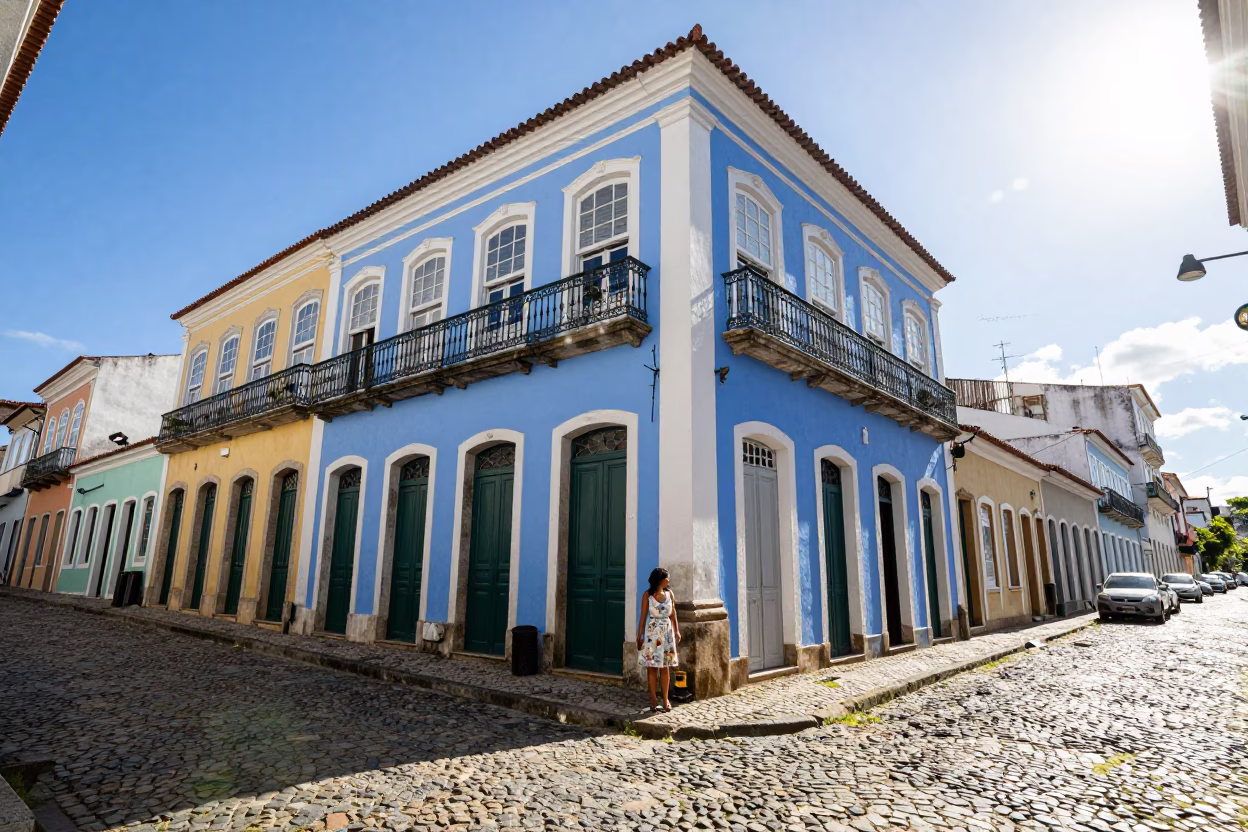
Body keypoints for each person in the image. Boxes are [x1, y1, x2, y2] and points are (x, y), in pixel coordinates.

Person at [636, 567, 681, 711]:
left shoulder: (670, 594)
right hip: (652, 632)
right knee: (652, 667)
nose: (669, 580)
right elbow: (643, 617)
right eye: (666, 577)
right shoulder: (647, 595)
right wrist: (639, 635)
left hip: (667, 633)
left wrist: (677, 631)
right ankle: (654, 701)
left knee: (665, 666)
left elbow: (673, 614)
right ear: (661, 580)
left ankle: (666, 700)